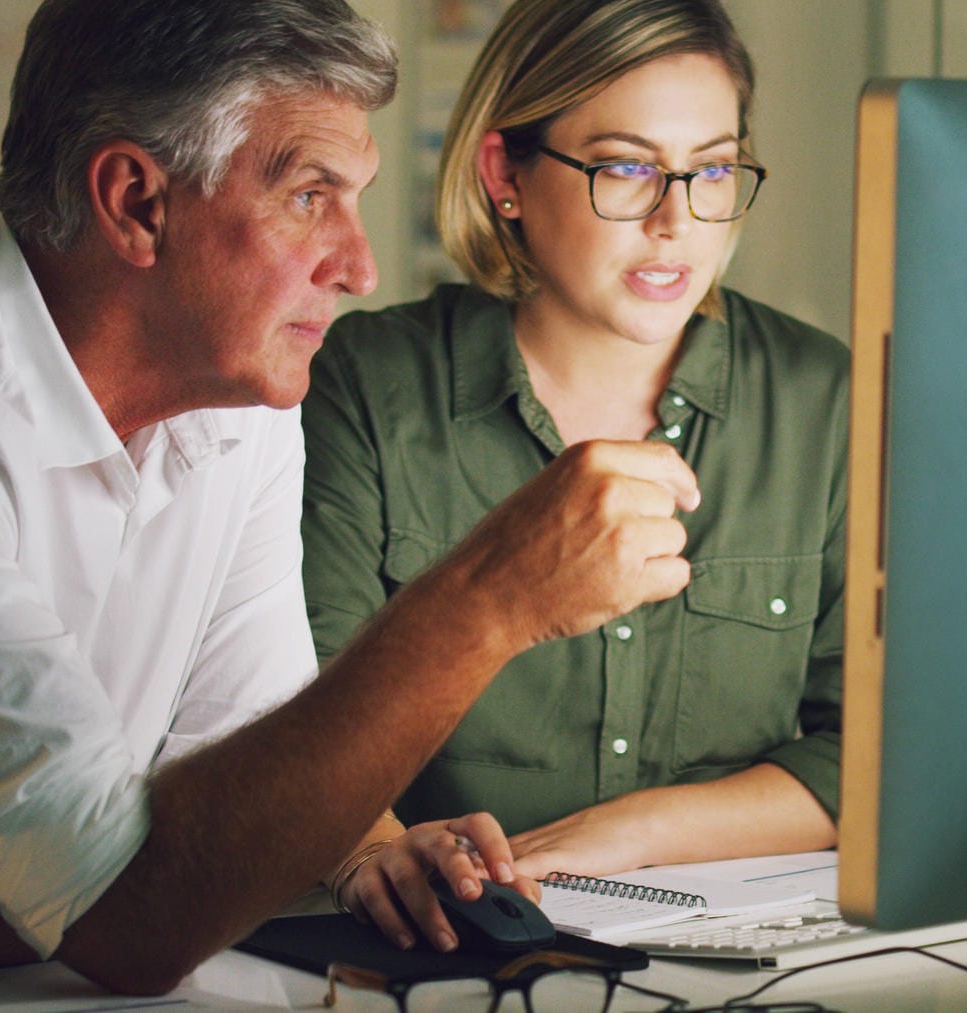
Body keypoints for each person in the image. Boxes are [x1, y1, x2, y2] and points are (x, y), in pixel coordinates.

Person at [0, 0, 699, 995]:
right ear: (137, 202)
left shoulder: (240, 390)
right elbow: (135, 918)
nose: (359, 267)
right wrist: (491, 597)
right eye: (312, 196)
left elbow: (245, 803)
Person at [300, 0, 849, 938]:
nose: (677, 220)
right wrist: (371, 850)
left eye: (711, 169)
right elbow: (289, 715)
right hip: (439, 947)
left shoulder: (819, 395)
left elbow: (873, 756)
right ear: (503, 173)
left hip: (740, 951)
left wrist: (620, 835)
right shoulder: (367, 383)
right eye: (627, 168)